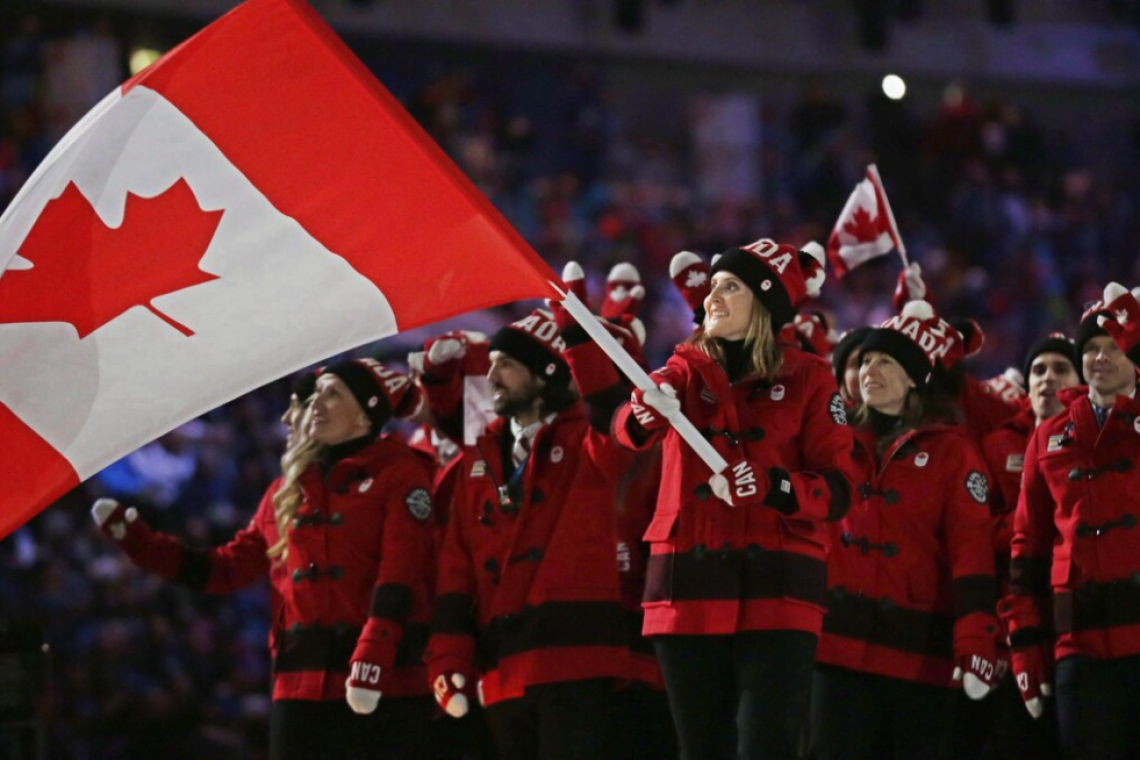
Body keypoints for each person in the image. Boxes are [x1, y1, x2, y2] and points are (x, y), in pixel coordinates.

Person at [91, 360, 436, 760]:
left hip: (389, 680)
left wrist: (375, 650)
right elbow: (226, 569)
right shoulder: (285, 490)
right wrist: (142, 544)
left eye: (333, 393)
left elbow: (403, 571)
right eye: (316, 394)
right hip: (299, 684)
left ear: (365, 414)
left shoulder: (402, 473)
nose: (316, 404)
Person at [613, 238, 857, 760]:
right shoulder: (682, 367)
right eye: (713, 287)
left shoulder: (811, 377)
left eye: (730, 287)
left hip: (780, 590)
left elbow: (838, 490)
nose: (710, 299)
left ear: (766, 302)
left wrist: (773, 486)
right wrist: (642, 410)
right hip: (687, 588)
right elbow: (627, 426)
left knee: (766, 747)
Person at [425, 308, 635, 760]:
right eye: (492, 362)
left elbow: (617, 419)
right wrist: (449, 656)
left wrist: (578, 331)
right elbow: (456, 565)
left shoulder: (589, 440)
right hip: (501, 671)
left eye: (507, 364)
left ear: (545, 376)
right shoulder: (477, 457)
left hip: (576, 662)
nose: (492, 375)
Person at [810, 300, 1000, 760]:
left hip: (920, 656)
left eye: (886, 361)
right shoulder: (830, 443)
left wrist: (975, 637)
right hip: (835, 650)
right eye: (867, 359)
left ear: (915, 377)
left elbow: (972, 550)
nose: (870, 368)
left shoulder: (952, 452)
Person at [1003, 283, 1140, 760]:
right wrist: (1025, 642)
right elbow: (1028, 545)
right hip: (1078, 646)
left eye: (1113, 347)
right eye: (1092, 348)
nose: (1099, 358)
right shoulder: (1048, 436)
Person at [979, 333, 1078, 759]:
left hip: (1078, 621)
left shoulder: (1097, 441)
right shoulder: (995, 444)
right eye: (1038, 369)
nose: (1047, 379)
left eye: (1060, 369)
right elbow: (974, 527)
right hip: (1005, 629)